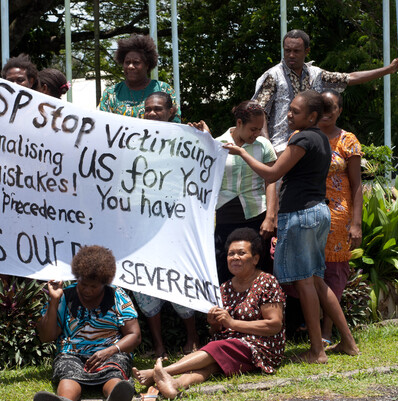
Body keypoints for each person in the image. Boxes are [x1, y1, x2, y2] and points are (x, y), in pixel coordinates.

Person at [225, 90, 358, 363]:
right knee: (317, 281)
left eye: (295, 111)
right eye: (290, 109)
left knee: (305, 282)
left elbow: (272, 173)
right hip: (319, 212)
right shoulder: (321, 137)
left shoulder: (302, 137)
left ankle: (317, 351)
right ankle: (348, 343)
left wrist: (241, 152)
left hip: (301, 215)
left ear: (311, 116)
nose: (288, 114)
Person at [133, 228, 285, 399]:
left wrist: (233, 324)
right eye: (231, 254)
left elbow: (274, 325)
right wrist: (214, 324)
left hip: (260, 347)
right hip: (228, 344)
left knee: (216, 348)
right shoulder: (224, 288)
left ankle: (159, 372)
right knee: (212, 367)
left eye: (241, 253)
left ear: (255, 259)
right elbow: (217, 332)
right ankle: (175, 385)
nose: (235, 257)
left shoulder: (266, 282)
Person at [252, 29, 398, 153]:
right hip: (281, 148)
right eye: (287, 50)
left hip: (312, 146)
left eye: (296, 51)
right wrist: (267, 147)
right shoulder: (272, 76)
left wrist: (387, 70)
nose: (291, 55)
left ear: (307, 51)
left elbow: (349, 78)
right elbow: (259, 110)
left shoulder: (316, 74)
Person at [130, 91, 199, 359]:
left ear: (171, 111)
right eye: (148, 110)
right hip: (142, 229)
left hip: (176, 227)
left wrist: (203, 135)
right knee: (146, 286)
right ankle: (159, 346)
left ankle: (192, 340)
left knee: (181, 282)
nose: (152, 114)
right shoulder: (133, 141)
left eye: (158, 109)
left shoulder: (187, 139)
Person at [34, 245, 141, 401]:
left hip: (110, 354)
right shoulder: (65, 296)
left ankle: (116, 396)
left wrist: (110, 351)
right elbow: (46, 336)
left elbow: (134, 335)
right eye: (83, 284)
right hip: (71, 354)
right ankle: (64, 399)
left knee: (113, 374)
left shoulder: (117, 295)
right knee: (68, 375)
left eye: (94, 286)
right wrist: (54, 300)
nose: (87, 290)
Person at [190, 101, 277, 284]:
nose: (256, 134)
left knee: (258, 266)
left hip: (256, 216)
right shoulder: (218, 144)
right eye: (253, 129)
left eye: (259, 129)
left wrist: (270, 217)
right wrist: (203, 140)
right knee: (225, 266)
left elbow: (270, 181)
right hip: (225, 217)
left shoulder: (263, 145)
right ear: (239, 123)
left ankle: (256, 310)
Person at [317, 90, 362, 344]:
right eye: (320, 107)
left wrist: (356, 224)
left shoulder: (348, 141)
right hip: (309, 212)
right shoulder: (304, 137)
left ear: (339, 111)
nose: (325, 112)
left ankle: (327, 330)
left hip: (338, 217)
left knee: (334, 272)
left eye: (330, 107)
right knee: (311, 271)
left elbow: (357, 185)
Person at [99, 34, 180, 122]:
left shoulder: (164, 89)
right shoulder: (111, 93)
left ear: (147, 65)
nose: (130, 66)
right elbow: (101, 123)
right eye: (127, 62)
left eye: (136, 62)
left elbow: (176, 123)